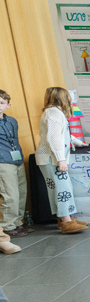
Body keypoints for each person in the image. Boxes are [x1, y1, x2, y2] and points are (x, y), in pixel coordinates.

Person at [35, 88, 87, 234]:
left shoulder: (55, 113)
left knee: (61, 188)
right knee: (62, 189)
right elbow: (53, 137)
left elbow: (63, 134)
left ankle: (65, 218)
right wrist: (61, 159)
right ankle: (66, 221)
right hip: (52, 158)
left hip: (51, 158)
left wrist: (78, 142)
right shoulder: (53, 113)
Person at [0, 89, 31, 237]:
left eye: (1, 103)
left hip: (17, 159)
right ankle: (7, 226)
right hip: (3, 161)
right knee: (10, 194)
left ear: (8, 105)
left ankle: (18, 222)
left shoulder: (12, 121)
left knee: (21, 192)